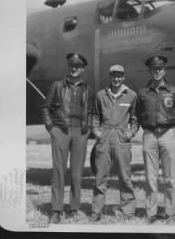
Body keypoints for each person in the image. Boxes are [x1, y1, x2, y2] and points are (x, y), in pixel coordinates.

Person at [40, 53, 93, 223]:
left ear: (83, 69)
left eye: (78, 66)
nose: (75, 68)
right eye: (72, 65)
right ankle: (56, 209)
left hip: (81, 133)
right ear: (69, 67)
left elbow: (91, 112)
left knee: (77, 173)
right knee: (58, 171)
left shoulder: (87, 89)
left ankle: (74, 208)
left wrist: (88, 128)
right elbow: (45, 108)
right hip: (61, 132)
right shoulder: (57, 86)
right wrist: (51, 128)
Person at [90, 65, 139, 222]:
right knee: (100, 177)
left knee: (125, 177)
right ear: (110, 77)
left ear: (123, 77)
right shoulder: (100, 95)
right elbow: (95, 115)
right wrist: (96, 131)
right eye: (114, 76)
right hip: (104, 137)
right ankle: (96, 212)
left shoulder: (131, 95)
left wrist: (130, 133)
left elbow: (135, 120)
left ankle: (128, 212)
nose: (116, 79)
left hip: (121, 138)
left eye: (119, 76)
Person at [136, 55, 175, 223]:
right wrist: (149, 129)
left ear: (165, 70)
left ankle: (170, 212)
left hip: (168, 134)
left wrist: (170, 130)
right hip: (149, 135)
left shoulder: (173, 91)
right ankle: (151, 213)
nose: (157, 71)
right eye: (154, 69)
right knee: (150, 178)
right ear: (150, 70)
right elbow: (138, 114)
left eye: (160, 68)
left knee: (169, 178)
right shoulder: (143, 93)